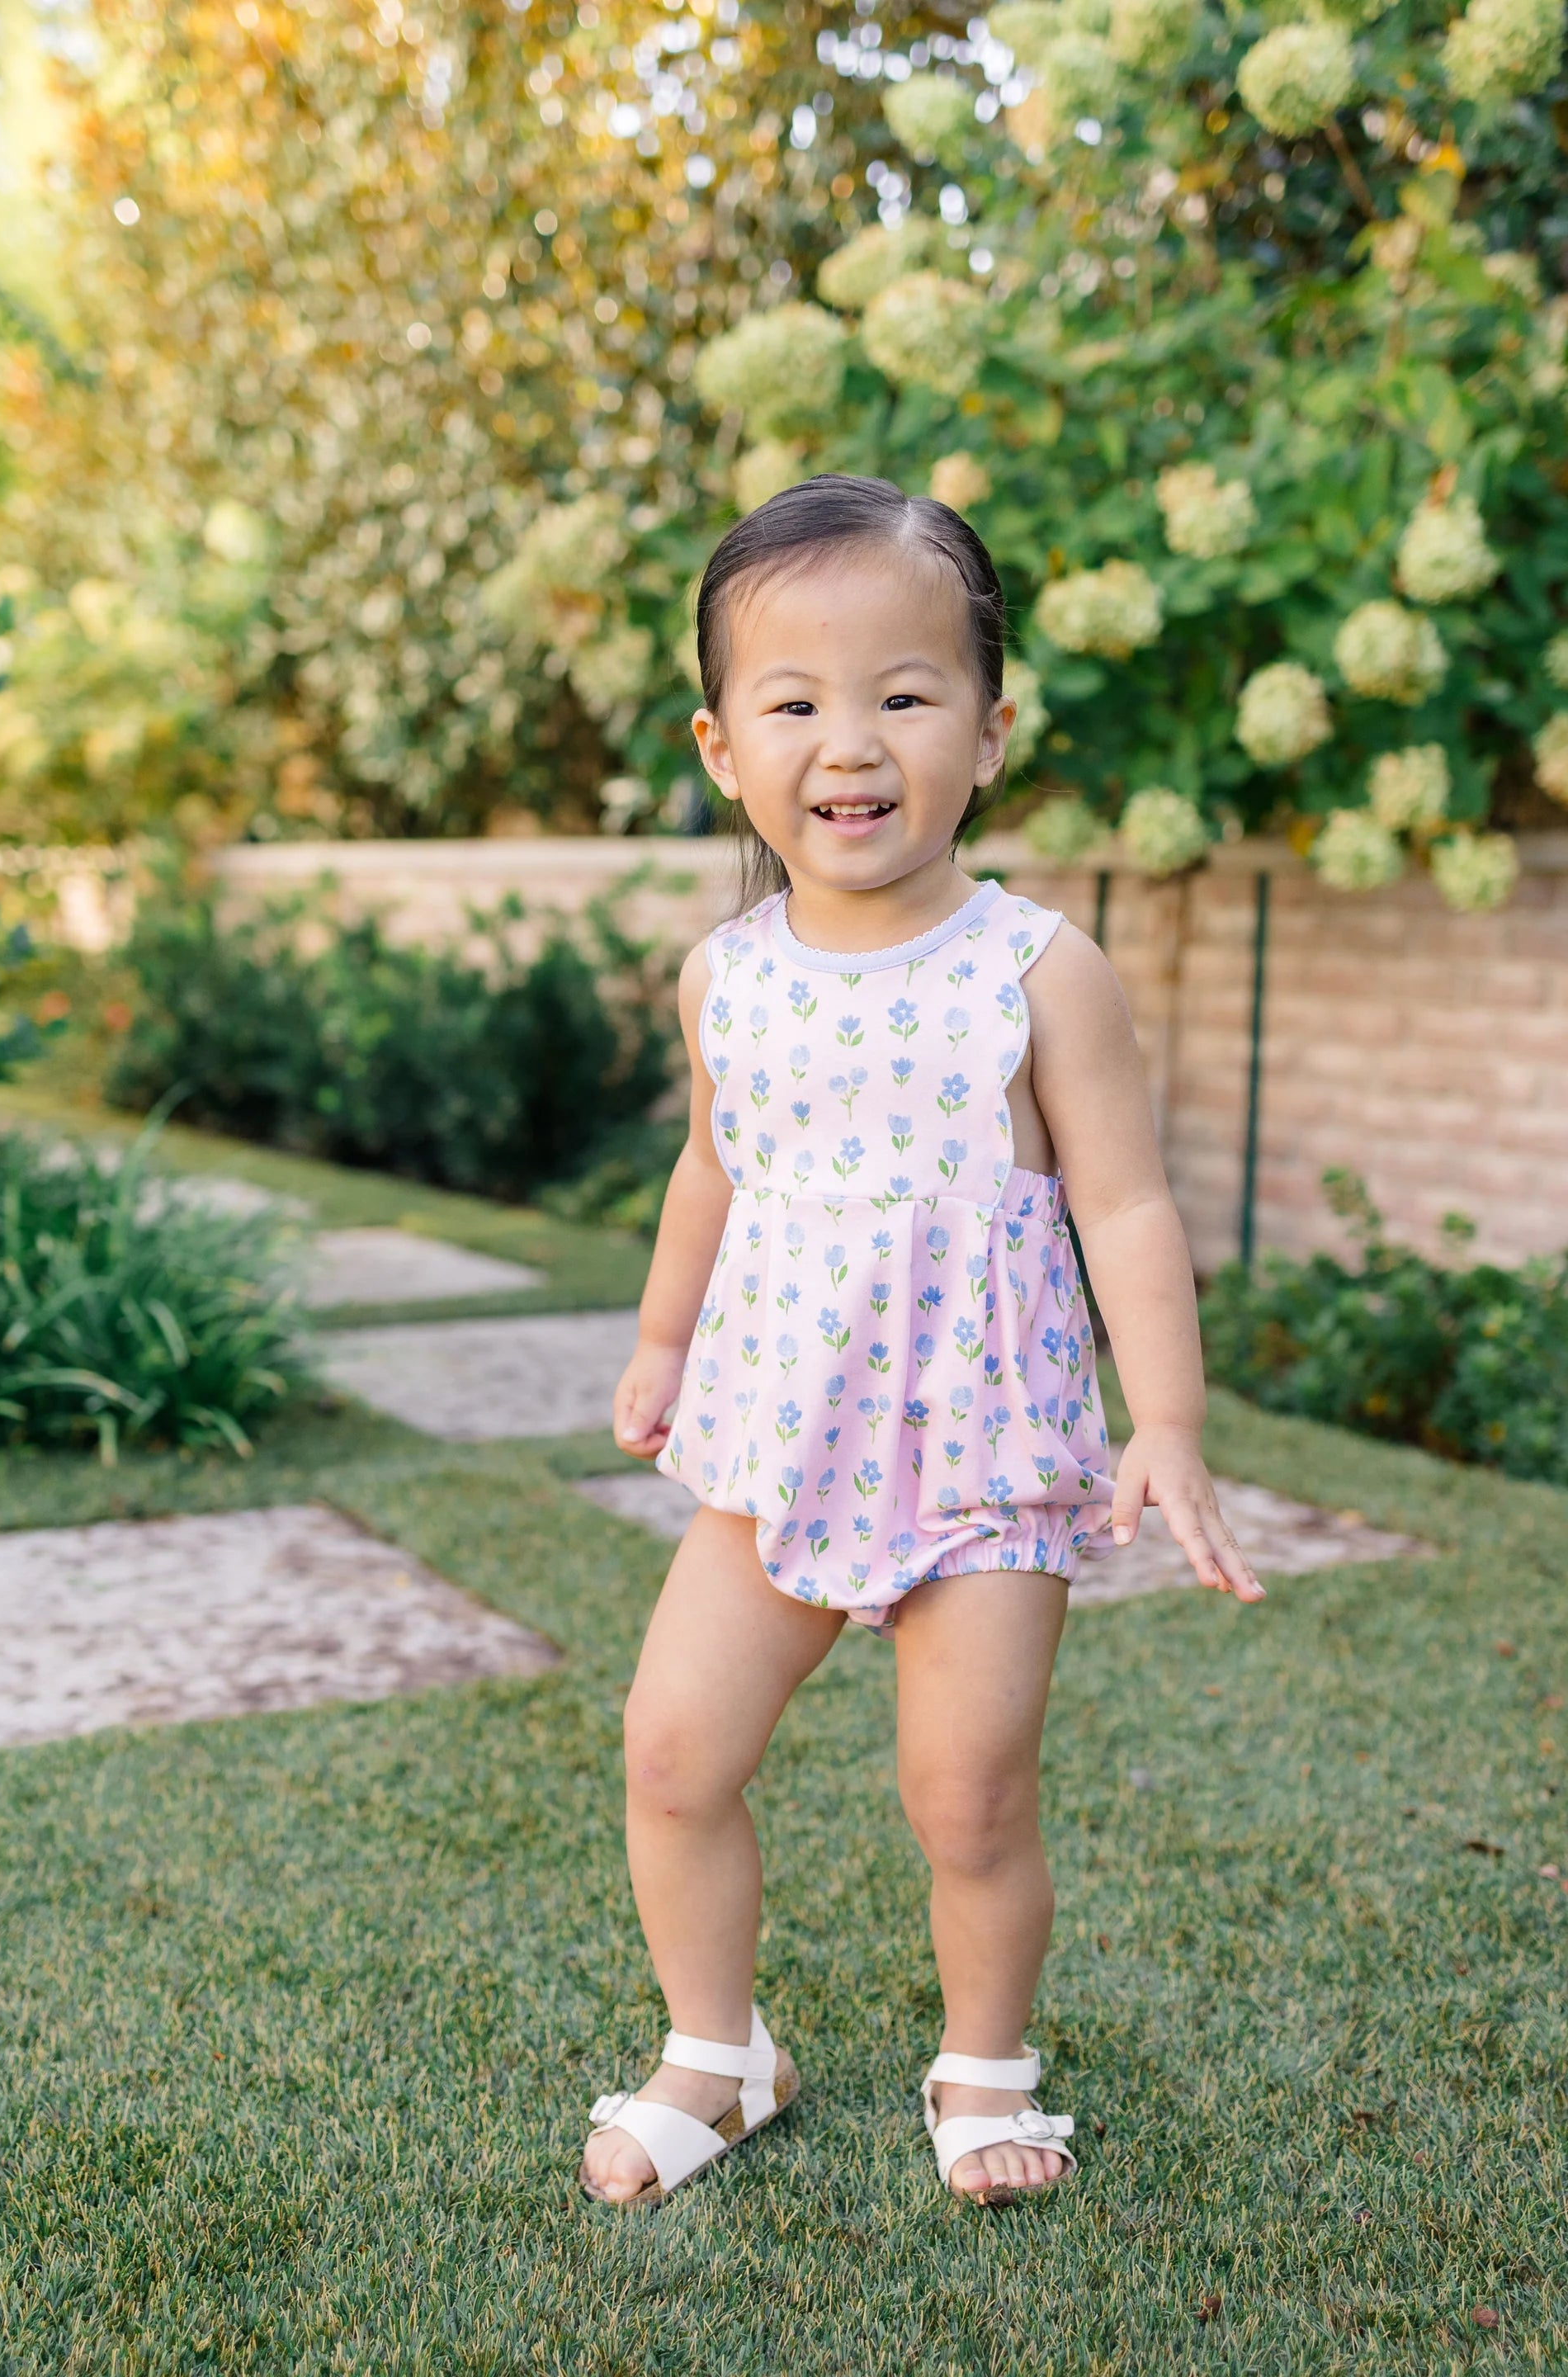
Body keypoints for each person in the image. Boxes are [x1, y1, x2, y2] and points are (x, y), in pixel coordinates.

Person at [579, 473, 1262, 2211]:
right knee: (673, 1753)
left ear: (988, 728)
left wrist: (1163, 1420)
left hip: (984, 1453)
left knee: (965, 1793)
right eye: (795, 701)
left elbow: (1126, 1209)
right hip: (776, 1438)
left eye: (904, 691)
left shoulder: (1039, 968)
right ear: (725, 748)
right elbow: (710, 1170)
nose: (851, 739)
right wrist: (664, 1342)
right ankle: (718, 2055)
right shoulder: (727, 972)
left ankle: (986, 2068)